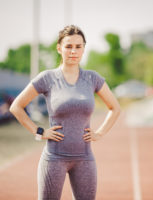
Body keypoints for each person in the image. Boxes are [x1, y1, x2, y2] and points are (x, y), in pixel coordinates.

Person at [9, 25, 121, 200]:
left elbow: (115, 108)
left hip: (85, 158)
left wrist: (99, 133)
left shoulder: (93, 78)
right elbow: (16, 107)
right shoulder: (47, 78)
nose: (73, 51)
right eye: (68, 46)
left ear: (84, 48)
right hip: (54, 158)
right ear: (59, 48)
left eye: (78, 46)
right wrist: (39, 132)